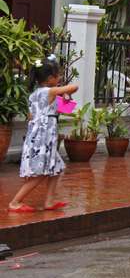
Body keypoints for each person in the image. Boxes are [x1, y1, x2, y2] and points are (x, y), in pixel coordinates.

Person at [8, 56, 78, 212]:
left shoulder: (35, 94)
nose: (59, 78)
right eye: (57, 75)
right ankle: (15, 202)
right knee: (40, 174)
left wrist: (64, 97)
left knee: (56, 168)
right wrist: (64, 90)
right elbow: (74, 87)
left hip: (39, 137)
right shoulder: (50, 91)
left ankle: (49, 201)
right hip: (43, 139)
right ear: (49, 79)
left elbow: (65, 109)